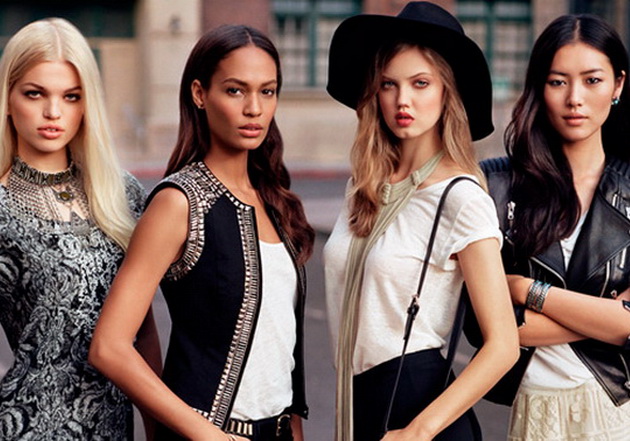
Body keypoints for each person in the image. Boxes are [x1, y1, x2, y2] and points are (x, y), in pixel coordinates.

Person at [89, 24, 315, 441]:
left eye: (267, 91)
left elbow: (281, 350)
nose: (254, 108)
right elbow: (110, 347)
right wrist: (205, 434)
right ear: (199, 94)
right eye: (235, 90)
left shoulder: (275, 201)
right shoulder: (179, 201)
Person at [323, 2, 520, 441]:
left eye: (420, 83)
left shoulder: (461, 197)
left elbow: (503, 345)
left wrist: (419, 431)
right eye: (388, 84)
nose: (402, 100)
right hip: (355, 402)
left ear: (447, 92)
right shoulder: (363, 186)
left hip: (418, 409)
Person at [0, 17, 161, 440]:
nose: (53, 112)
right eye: (35, 93)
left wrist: (157, 428)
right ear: (7, 99)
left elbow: (143, 328)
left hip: (114, 428)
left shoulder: (122, 193)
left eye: (71, 96)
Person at [480, 13, 630, 441]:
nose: (575, 99)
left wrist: (526, 290)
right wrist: (609, 320)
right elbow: (486, 326)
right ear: (539, 87)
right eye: (558, 81)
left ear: (618, 85)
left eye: (592, 80)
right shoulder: (496, 185)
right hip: (535, 412)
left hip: (618, 410)